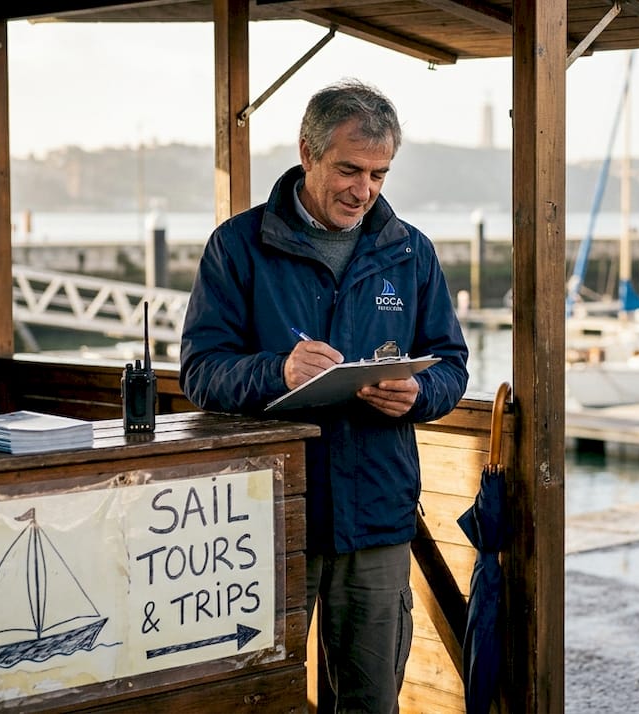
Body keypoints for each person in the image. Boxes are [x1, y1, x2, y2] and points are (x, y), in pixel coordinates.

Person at [179, 79, 470, 713]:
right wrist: (277, 372)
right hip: (268, 518)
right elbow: (200, 372)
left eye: (379, 175)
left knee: (369, 702)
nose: (363, 190)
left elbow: (452, 365)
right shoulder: (238, 246)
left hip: (377, 515)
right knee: (257, 697)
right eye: (348, 169)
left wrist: (418, 393)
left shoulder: (411, 251)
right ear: (307, 153)